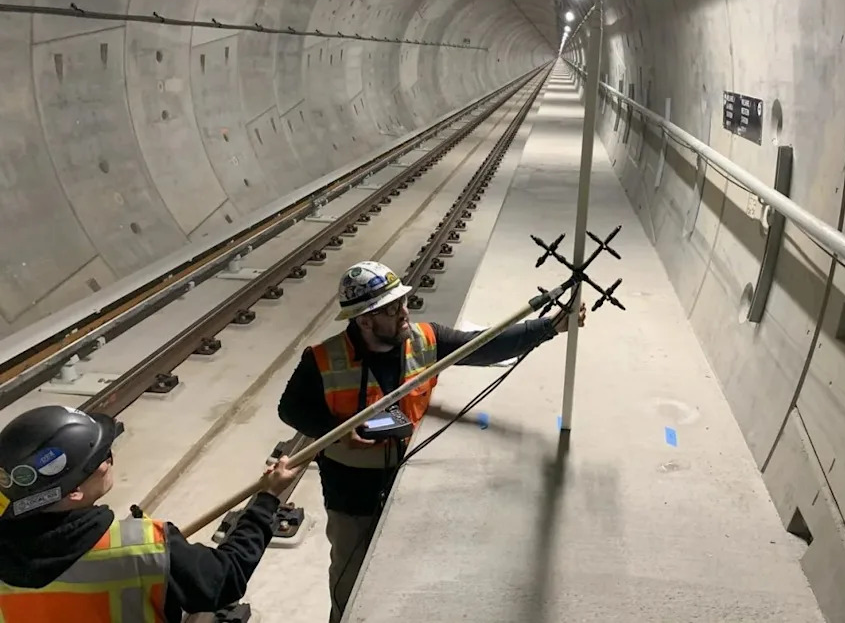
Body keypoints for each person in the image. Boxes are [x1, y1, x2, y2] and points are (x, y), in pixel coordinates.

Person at [277, 260, 586, 622]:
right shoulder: (322, 360)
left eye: (404, 301)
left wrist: (549, 327)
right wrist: (339, 426)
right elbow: (290, 410)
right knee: (349, 575)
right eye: (392, 309)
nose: (404, 312)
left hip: (409, 481)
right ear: (364, 320)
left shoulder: (426, 339)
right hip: (351, 494)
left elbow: (482, 345)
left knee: (402, 576)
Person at [0, 404, 304, 622]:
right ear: (74, 492)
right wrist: (266, 499)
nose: (109, 460)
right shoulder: (144, 548)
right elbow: (225, 578)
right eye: (101, 458)